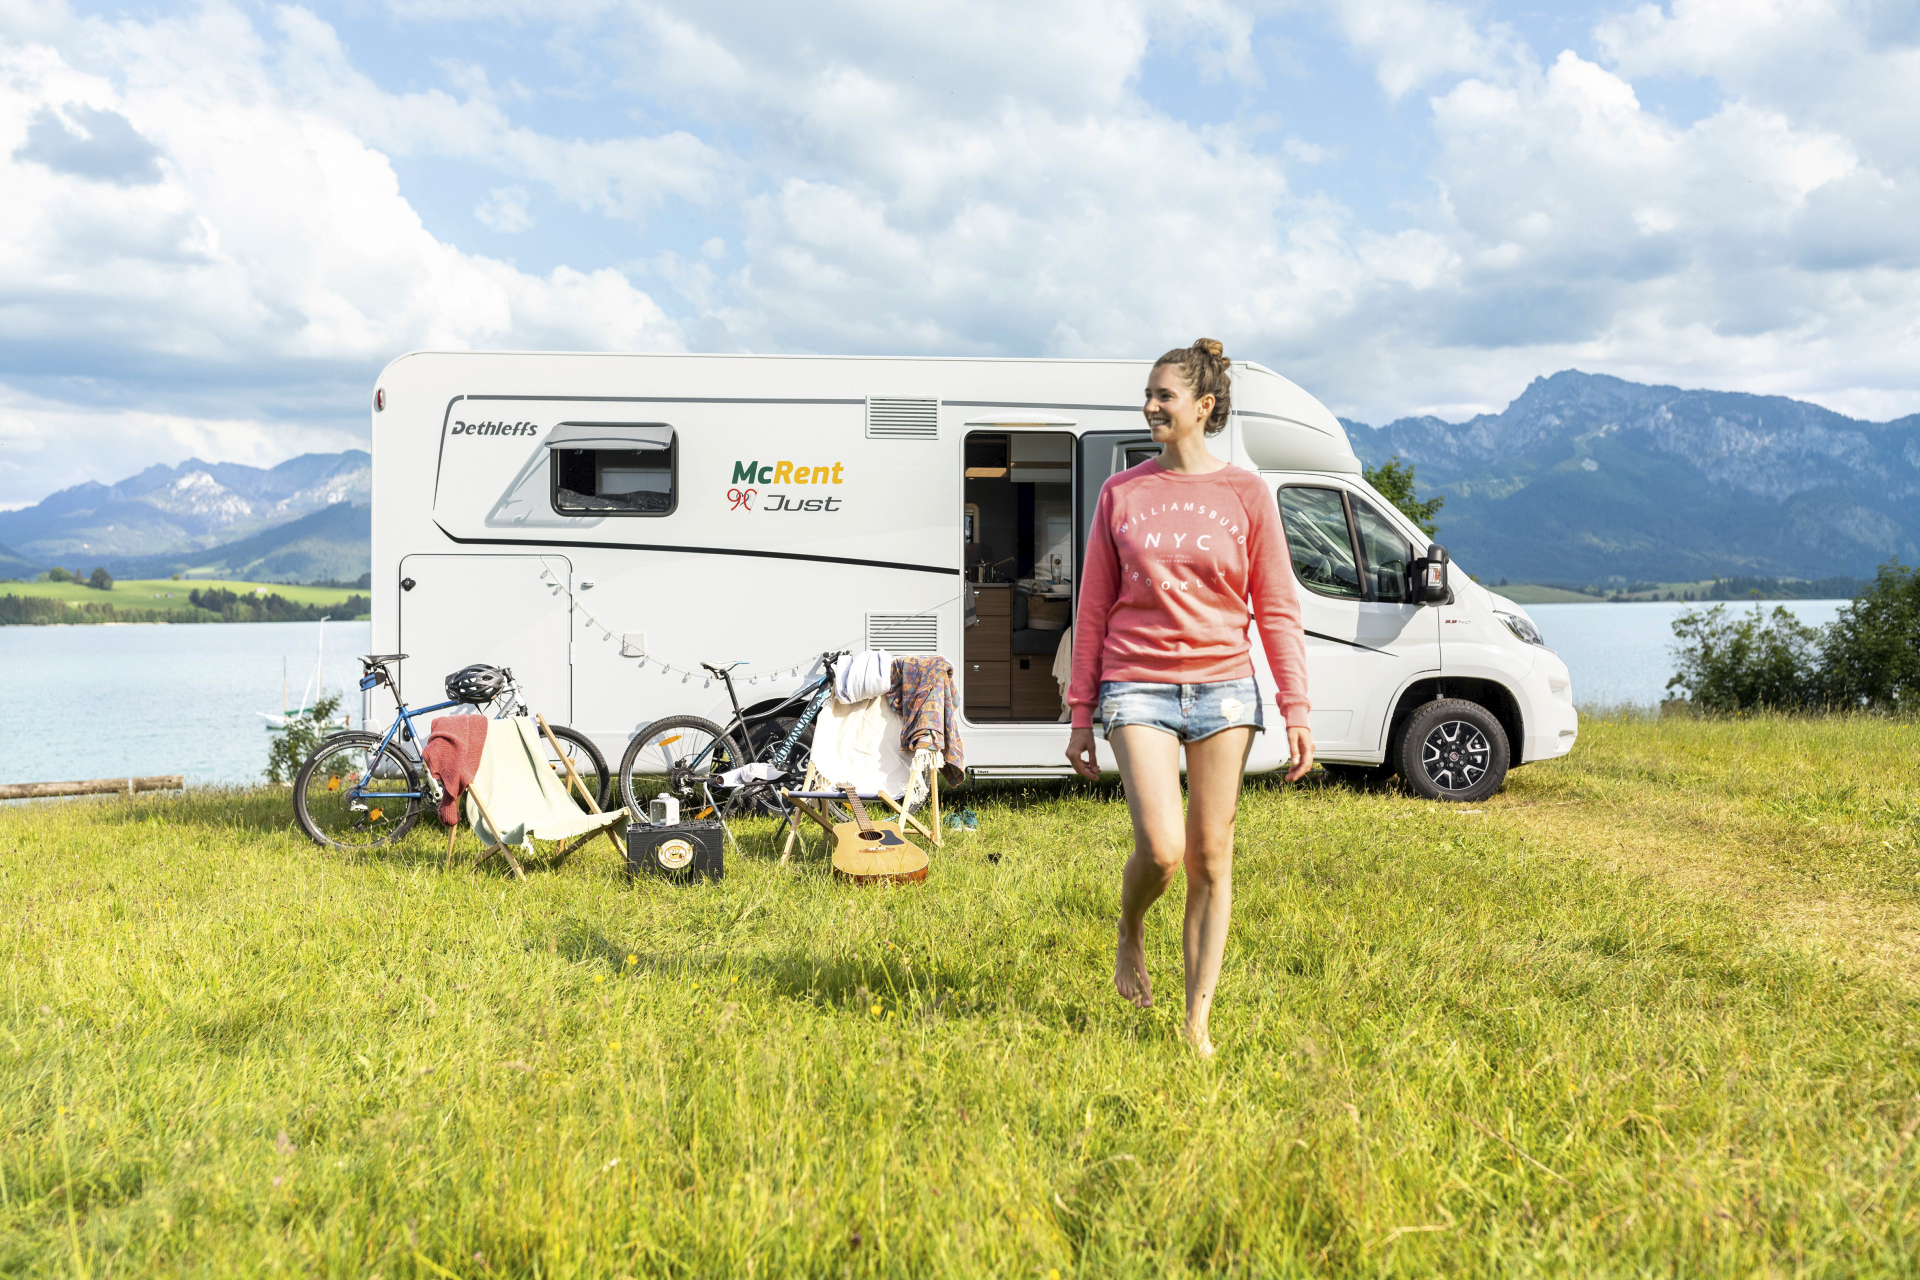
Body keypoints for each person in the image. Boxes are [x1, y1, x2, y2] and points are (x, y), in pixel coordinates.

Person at [1064, 338, 1313, 1057]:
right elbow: (1094, 607)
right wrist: (1081, 712)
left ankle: (1196, 1021)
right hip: (1135, 681)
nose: (1149, 407)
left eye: (1163, 396)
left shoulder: (1246, 494)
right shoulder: (1122, 493)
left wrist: (1296, 707)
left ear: (1203, 406)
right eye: (1147, 395)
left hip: (1225, 687)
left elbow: (1277, 607)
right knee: (1165, 848)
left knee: (1211, 854)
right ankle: (1130, 927)